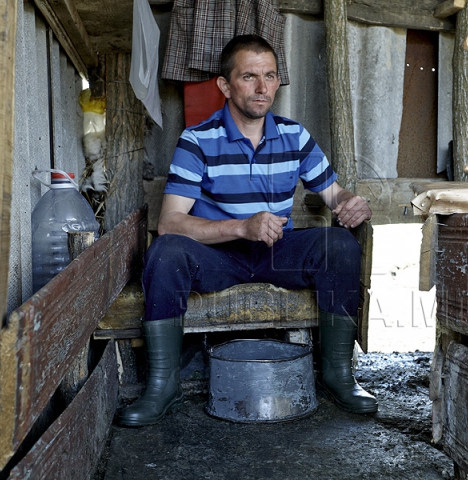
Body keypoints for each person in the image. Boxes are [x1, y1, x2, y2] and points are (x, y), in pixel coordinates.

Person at [118, 34, 377, 427]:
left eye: (270, 76)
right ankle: (163, 386)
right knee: (166, 251)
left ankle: (338, 375)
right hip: (219, 257)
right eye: (249, 77)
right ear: (225, 85)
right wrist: (242, 225)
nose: (262, 87)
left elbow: (334, 193)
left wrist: (350, 204)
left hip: (278, 251)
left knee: (338, 244)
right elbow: (170, 222)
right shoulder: (198, 140)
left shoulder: (294, 136)